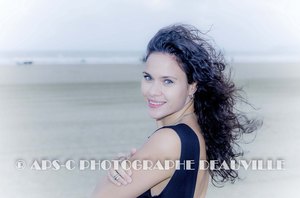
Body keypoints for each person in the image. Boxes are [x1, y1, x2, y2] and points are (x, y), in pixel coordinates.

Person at [92, 24, 261, 198]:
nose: (153, 91)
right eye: (148, 77)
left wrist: (112, 172)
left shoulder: (169, 140)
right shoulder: (196, 132)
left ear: (192, 87)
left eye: (168, 81)